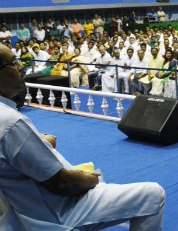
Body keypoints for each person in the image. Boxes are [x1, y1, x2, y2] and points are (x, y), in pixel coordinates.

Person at [0, 43, 165, 230]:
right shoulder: (12, 122)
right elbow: (63, 184)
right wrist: (90, 179)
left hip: (23, 209)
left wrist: (38, 141)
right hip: (60, 210)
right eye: (13, 63)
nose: (21, 66)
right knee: (152, 195)